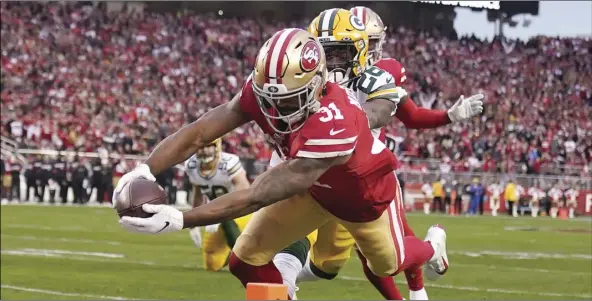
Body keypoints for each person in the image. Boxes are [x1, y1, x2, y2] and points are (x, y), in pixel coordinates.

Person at [114, 28, 447, 299]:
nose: (275, 111)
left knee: (387, 264)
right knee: (244, 260)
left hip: (360, 196)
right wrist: (143, 170)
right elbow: (202, 131)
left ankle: (432, 247)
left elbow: (260, 193)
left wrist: (180, 218)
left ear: (317, 86)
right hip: (312, 189)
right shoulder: (266, 90)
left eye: (288, 101)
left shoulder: (337, 120)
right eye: (268, 100)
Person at [275, 8, 483, 300]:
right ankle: (284, 275)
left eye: (372, 42)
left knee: (389, 254)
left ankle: (421, 279)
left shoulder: (383, 73)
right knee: (328, 262)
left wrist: (449, 115)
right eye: (332, 50)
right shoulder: (315, 74)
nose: (370, 49)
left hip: (367, 175)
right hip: (324, 169)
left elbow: (408, 115)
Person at [185, 138, 256, 272]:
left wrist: (220, 214)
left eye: (208, 146)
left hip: (242, 212)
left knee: (228, 223)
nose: (204, 151)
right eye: (201, 147)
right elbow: (197, 195)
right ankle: (240, 254)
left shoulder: (228, 162)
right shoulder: (191, 165)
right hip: (218, 215)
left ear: (217, 146)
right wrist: (192, 225)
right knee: (212, 264)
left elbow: (244, 194)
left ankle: (245, 259)